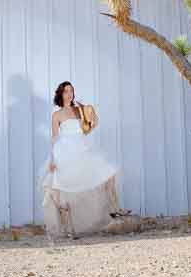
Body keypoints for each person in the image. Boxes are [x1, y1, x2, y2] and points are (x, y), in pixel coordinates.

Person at [40, 81, 130, 237]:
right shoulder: (57, 115)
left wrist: (93, 121)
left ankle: (114, 209)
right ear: (60, 94)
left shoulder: (79, 109)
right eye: (66, 91)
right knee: (61, 187)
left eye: (71, 91)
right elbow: (54, 138)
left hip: (82, 147)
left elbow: (87, 128)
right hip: (65, 151)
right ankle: (68, 228)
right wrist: (53, 160)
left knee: (108, 175)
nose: (70, 94)